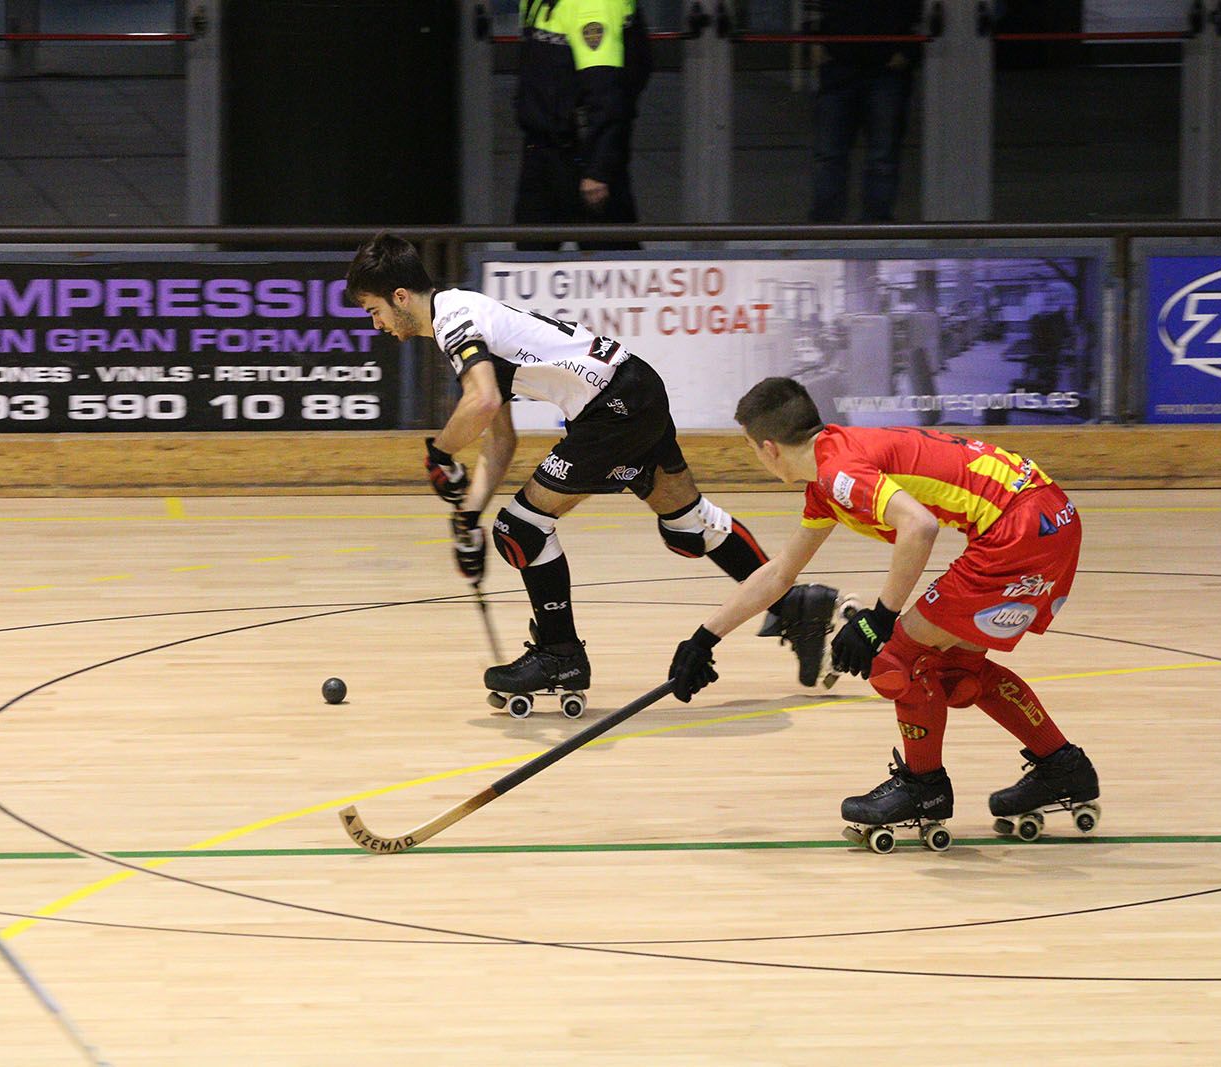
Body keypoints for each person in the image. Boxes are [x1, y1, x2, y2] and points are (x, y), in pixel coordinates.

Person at [347, 234, 849, 708]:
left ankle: (560, 656)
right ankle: (798, 607)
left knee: (521, 528)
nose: (377, 325)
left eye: (374, 312)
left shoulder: (456, 320)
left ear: (399, 296)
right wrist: (467, 516)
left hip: (614, 408)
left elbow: (482, 401)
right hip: (631, 389)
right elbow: (500, 438)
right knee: (688, 528)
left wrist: (438, 454)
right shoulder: (466, 312)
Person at [668, 377, 1098, 844]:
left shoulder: (839, 472)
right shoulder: (828, 476)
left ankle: (923, 787)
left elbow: (919, 526)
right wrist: (705, 638)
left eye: (752, 448)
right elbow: (779, 575)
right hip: (1048, 517)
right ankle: (1063, 767)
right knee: (956, 666)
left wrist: (880, 618)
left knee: (896, 658)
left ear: (769, 448)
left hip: (1019, 528)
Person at [513, 0, 650, 250]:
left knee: (609, 273)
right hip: (543, 151)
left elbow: (606, 94)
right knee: (528, 269)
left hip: (581, 156)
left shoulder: (592, 4)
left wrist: (598, 169)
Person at [808, 0, 922, 223]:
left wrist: (908, 51)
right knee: (832, 155)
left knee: (879, 156)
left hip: (884, 69)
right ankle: (827, 228)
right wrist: (813, 42)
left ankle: (873, 228)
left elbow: (923, 13)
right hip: (842, 65)